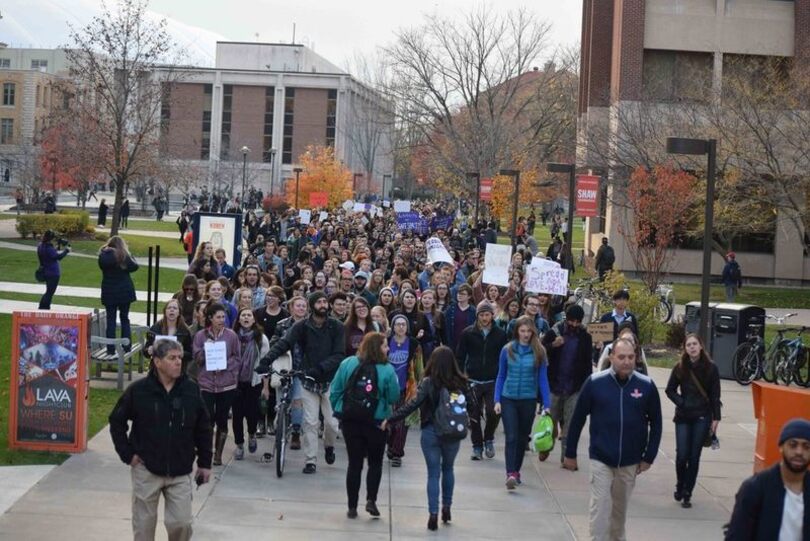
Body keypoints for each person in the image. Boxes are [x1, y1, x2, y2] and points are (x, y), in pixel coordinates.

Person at [108, 339, 212, 541]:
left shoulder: (191, 390)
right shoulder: (139, 391)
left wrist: (205, 463)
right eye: (172, 358)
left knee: (181, 524)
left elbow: (204, 427)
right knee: (144, 528)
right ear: (157, 362)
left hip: (180, 470)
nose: (178, 362)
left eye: (180, 358)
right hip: (146, 469)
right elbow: (116, 421)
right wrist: (128, 454)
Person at [563, 338, 663, 541]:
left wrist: (649, 456)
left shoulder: (646, 386)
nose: (626, 361)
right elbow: (577, 419)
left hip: (630, 461)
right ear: (611, 358)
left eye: (631, 357)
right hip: (601, 458)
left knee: (619, 513)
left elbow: (657, 423)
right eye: (621, 357)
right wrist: (570, 453)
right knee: (600, 510)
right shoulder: (595, 383)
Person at [257, 291, 345, 474]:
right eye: (319, 302)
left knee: (331, 423)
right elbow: (284, 343)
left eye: (324, 302)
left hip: (330, 381)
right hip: (307, 381)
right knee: (310, 422)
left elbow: (339, 354)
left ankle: (329, 447)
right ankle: (310, 460)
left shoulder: (336, 326)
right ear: (312, 306)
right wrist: (266, 360)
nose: (323, 305)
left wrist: (321, 368)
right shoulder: (301, 326)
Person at [382, 346, 468, 531]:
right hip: (452, 433)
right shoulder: (460, 382)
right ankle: (447, 507)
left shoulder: (428, 382)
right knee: (449, 469)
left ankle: (433, 514)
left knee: (433, 473)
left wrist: (391, 419)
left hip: (431, 432)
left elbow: (412, 404)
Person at [329, 332, 401, 519]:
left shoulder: (348, 363)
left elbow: (335, 390)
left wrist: (340, 409)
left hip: (351, 420)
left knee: (354, 464)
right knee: (375, 463)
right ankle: (371, 500)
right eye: (385, 346)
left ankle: (352, 506)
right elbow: (394, 396)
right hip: (376, 421)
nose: (388, 349)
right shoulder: (387, 369)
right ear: (378, 348)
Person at [725, 418, 809, 541]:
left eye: (806, 447)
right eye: (793, 445)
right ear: (781, 447)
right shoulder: (755, 488)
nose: (799, 452)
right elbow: (738, 534)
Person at [494, 315, 552, 490]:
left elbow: (543, 379)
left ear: (533, 331)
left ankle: (516, 471)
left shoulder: (539, 351)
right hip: (508, 397)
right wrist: (497, 399)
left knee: (521, 438)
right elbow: (501, 375)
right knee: (511, 437)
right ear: (517, 331)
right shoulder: (507, 349)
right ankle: (510, 473)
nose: (526, 334)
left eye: (528, 331)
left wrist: (546, 404)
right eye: (522, 331)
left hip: (528, 399)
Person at [665, 334, 722, 509]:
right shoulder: (680, 367)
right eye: (688, 345)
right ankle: (680, 484)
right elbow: (670, 390)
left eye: (695, 344)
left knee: (694, 456)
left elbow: (715, 395)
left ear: (701, 346)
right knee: (682, 456)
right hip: (683, 416)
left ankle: (688, 492)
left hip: (702, 416)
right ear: (685, 348)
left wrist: (716, 418)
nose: (692, 347)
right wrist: (682, 402)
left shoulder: (711, 368)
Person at [456, 300, 509, 461]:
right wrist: (460, 377)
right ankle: (477, 446)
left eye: (487, 314)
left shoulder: (500, 334)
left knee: (494, 412)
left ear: (492, 315)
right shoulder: (468, 333)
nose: (485, 318)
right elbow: (460, 356)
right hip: (472, 379)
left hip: (493, 379)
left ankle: (489, 438)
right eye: (481, 315)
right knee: (473, 415)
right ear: (477, 316)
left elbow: (505, 357)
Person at [542, 304, 594, 463]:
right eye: (572, 321)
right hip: (554, 386)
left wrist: (586, 386)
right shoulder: (554, 332)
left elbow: (587, 364)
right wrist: (552, 346)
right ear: (566, 319)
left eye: (578, 322)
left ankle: (567, 456)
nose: (574, 325)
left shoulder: (585, 337)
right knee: (550, 422)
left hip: (574, 387)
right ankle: (546, 447)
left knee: (570, 425)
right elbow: (540, 351)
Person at [192, 302, 242, 466]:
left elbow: (237, 357)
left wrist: (226, 365)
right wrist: (209, 350)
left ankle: (218, 454)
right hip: (206, 383)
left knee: (222, 418)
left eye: (223, 317)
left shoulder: (231, 336)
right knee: (207, 418)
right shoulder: (200, 335)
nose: (221, 320)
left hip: (226, 384)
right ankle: (206, 451)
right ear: (210, 318)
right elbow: (197, 358)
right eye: (218, 317)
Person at [385, 314, 424, 467]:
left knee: (402, 422)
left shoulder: (414, 344)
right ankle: (390, 444)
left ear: (407, 327)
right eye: (397, 324)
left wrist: (420, 383)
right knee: (389, 420)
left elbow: (420, 365)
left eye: (403, 324)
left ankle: (397, 453)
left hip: (407, 388)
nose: (401, 327)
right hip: (388, 388)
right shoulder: (386, 342)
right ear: (393, 327)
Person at [231, 308, 270, 460]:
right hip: (235, 382)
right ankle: (239, 444)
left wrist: (265, 387)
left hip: (253, 381)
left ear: (254, 320)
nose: (246, 317)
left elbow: (265, 364)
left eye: (249, 315)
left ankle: (252, 434)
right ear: (239, 319)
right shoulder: (232, 336)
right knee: (237, 415)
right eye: (243, 315)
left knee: (252, 414)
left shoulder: (261, 339)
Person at [99, 236, 139, 355]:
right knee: (124, 318)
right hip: (124, 291)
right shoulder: (123, 256)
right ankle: (126, 346)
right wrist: (131, 256)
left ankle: (110, 348)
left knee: (110, 320)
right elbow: (134, 267)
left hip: (109, 291)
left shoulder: (103, 256)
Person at [143, 299, 193, 375]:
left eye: (175, 308)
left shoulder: (184, 331)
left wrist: (179, 353)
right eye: (169, 308)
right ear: (165, 312)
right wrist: (149, 350)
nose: (172, 310)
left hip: (177, 370)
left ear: (179, 312)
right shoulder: (155, 328)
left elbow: (190, 354)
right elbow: (145, 352)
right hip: (157, 369)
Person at [36, 229, 70, 309]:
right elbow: (58, 257)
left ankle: (46, 307)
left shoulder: (41, 246)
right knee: (49, 292)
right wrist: (66, 251)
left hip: (46, 271)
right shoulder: (48, 248)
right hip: (53, 273)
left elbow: (53, 253)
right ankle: (43, 307)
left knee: (49, 291)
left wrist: (57, 246)